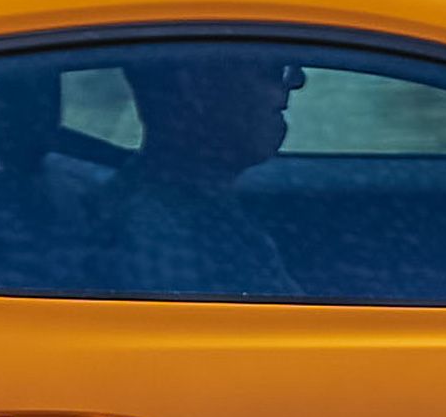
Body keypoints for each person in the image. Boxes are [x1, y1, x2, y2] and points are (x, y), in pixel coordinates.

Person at [81, 59, 302, 298]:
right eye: (273, 70)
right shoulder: (156, 235)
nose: (296, 82)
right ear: (195, 86)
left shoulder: (200, 209)